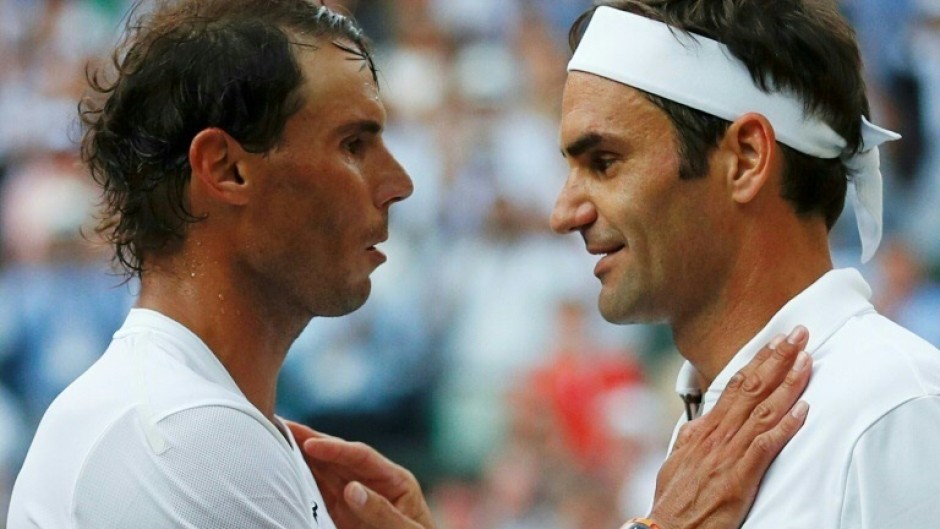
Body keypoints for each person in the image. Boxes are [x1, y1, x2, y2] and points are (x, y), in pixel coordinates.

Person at [7, 1, 811, 528]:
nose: (399, 183)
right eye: (355, 144)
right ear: (227, 169)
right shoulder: (183, 435)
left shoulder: (178, 415)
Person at [549, 1, 940, 528]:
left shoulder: (894, 409)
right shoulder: (706, 426)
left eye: (604, 162)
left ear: (747, 158)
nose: (564, 213)